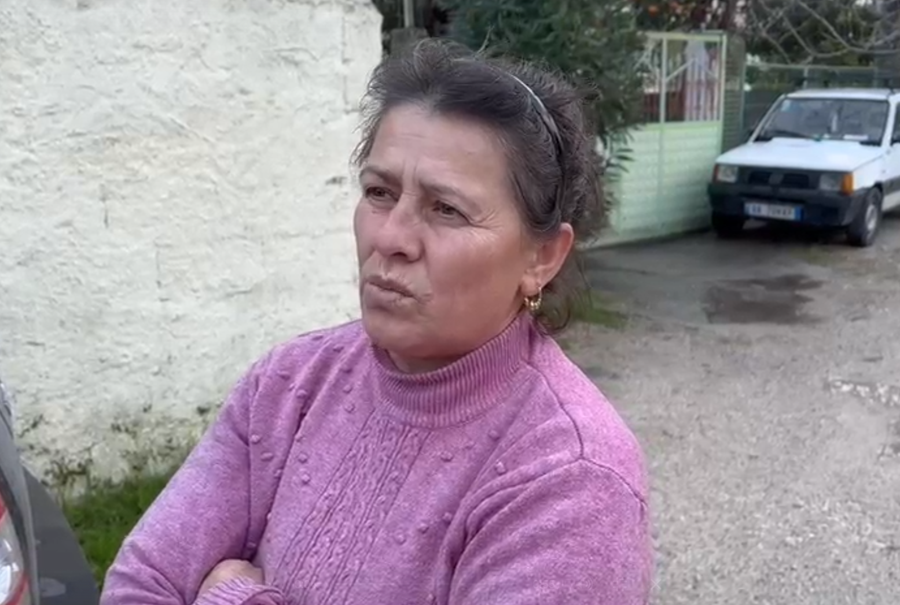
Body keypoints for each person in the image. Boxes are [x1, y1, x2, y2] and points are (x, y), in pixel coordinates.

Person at [100, 38, 652, 605]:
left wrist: (234, 596)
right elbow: (140, 584)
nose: (389, 238)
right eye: (380, 193)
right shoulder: (290, 384)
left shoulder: (568, 479)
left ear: (541, 258)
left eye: (446, 209)